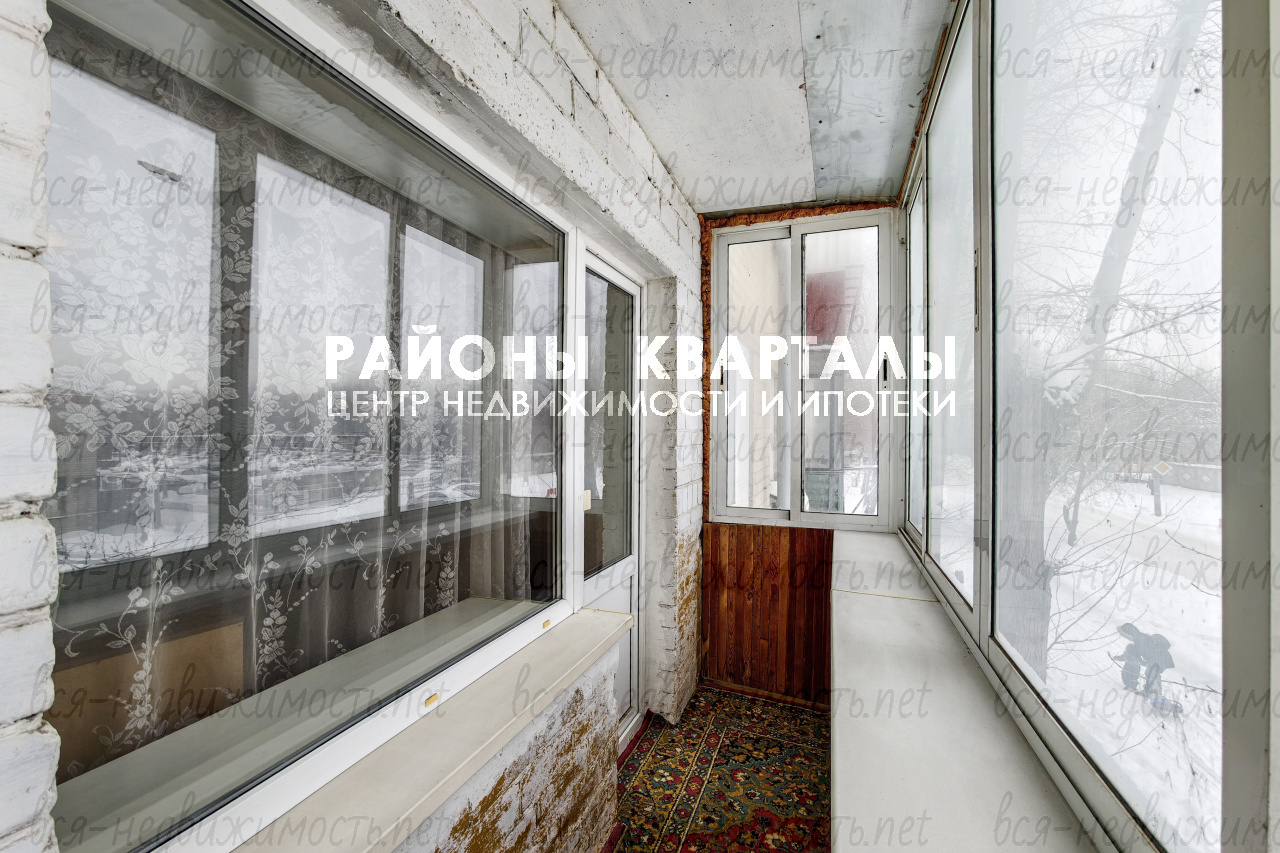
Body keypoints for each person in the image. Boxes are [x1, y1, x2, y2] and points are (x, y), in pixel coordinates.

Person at [1116, 623, 1176, 697]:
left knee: (1151, 672)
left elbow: (1143, 657)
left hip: (1160, 658)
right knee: (1147, 670)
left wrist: (1139, 661)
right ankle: (1145, 688)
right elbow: (1133, 654)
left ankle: (1154, 691)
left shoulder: (1140, 640)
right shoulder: (1139, 640)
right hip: (1155, 657)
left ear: (1129, 633)